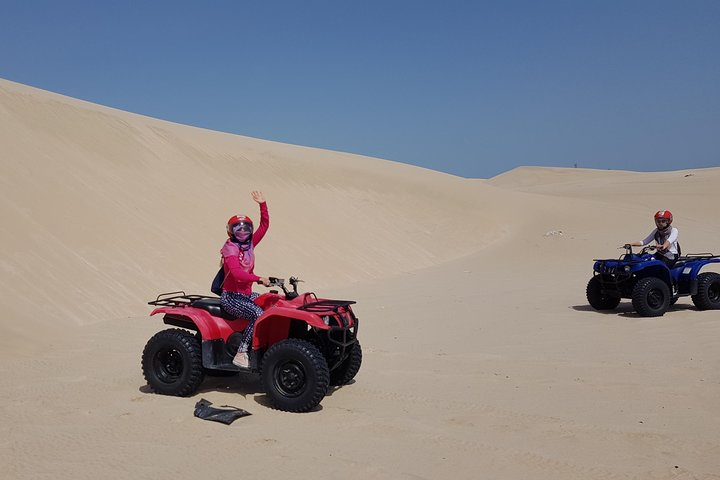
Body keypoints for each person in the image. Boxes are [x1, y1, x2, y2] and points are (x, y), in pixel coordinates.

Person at [220, 190, 271, 368]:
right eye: (238, 228)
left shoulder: (249, 245)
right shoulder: (230, 248)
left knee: (271, 302)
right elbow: (236, 274)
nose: (243, 231)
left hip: (245, 294)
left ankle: (263, 345)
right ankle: (241, 353)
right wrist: (259, 279)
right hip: (231, 297)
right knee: (257, 314)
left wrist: (262, 205)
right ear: (231, 231)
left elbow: (264, 226)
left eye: (246, 228)